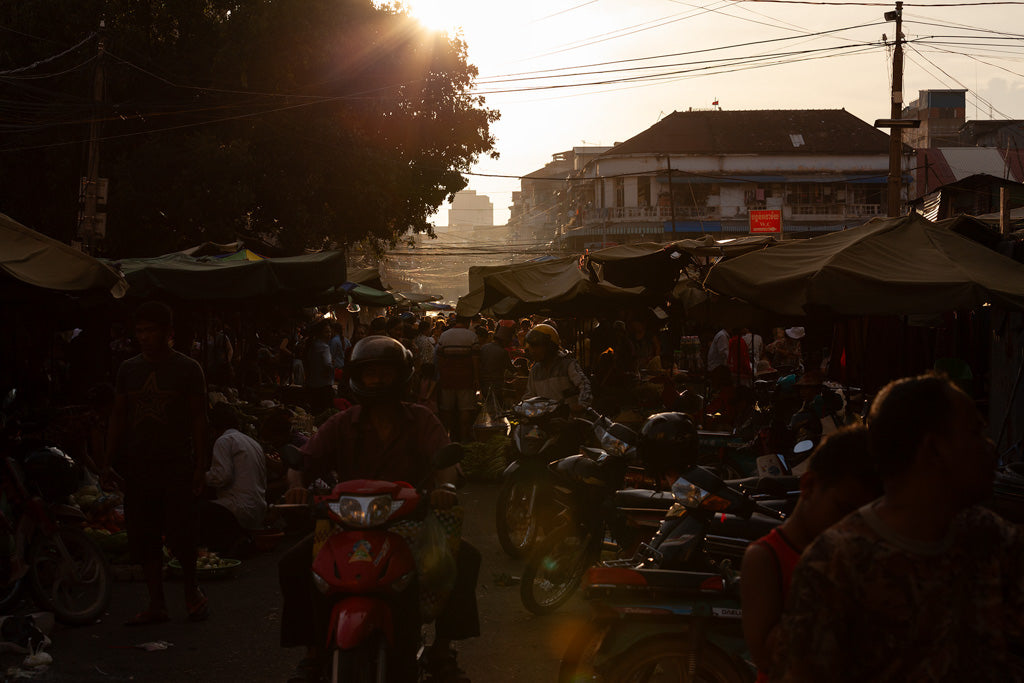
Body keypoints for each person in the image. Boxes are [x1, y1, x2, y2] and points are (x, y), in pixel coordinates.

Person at [770, 372, 1020, 682]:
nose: (990, 446)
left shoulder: (992, 539)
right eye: (975, 432)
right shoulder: (837, 566)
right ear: (933, 450)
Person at [278, 336, 479, 682]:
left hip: (410, 522)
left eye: (385, 373)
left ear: (401, 376)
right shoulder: (342, 423)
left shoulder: (421, 419)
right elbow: (303, 460)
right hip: (347, 525)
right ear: (358, 378)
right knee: (294, 564)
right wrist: (296, 485)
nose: (377, 381)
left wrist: (445, 487)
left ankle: (442, 647)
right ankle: (312, 651)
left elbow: (446, 461)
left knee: (465, 558)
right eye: (370, 374)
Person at [741, 426, 881, 682]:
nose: (848, 526)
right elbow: (766, 657)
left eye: (861, 518)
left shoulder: (863, 554)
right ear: (809, 485)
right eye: (843, 509)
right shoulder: (765, 558)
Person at [102, 301, 209, 625]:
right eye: (140, 331)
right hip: (139, 465)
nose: (144, 337)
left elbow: (199, 418)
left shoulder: (188, 369)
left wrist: (201, 465)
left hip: (176, 462)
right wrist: (107, 461)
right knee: (143, 535)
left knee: (182, 534)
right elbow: (118, 416)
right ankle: (156, 603)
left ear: (168, 333)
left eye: (151, 330)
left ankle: (192, 593)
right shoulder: (128, 369)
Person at [201, 402, 267, 555]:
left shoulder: (224, 441)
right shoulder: (252, 442)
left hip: (238, 510)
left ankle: (225, 545)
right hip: (258, 511)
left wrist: (201, 476)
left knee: (198, 511)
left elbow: (221, 476)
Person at [523, 323, 592, 413]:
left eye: (536, 346)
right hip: (546, 420)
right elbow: (529, 396)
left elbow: (584, 385)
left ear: (550, 346)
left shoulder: (567, 364)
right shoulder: (535, 370)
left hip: (570, 419)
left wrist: (581, 405)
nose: (532, 351)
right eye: (531, 346)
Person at [435, 315, 479, 442]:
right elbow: (475, 360)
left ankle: (446, 440)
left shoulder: (444, 336)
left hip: (447, 379)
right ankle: (464, 439)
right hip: (466, 378)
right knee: (465, 410)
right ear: (467, 322)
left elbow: (440, 359)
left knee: (447, 411)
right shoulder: (472, 336)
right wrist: (476, 378)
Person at [476, 325, 512, 411]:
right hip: (497, 384)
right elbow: (510, 368)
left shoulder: (484, 348)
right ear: (504, 341)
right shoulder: (503, 352)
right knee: (497, 408)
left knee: (487, 407)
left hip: (483, 383)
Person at [303, 320, 334, 415]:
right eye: (326, 332)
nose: (329, 334)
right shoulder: (324, 347)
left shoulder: (312, 345)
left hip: (311, 385)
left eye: (329, 331)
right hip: (323, 387)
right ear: (320, 333)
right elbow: (328, 365)